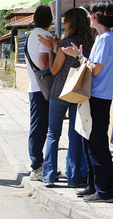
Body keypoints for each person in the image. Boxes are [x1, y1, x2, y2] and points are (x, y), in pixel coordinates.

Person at [62, 0, 113, 202]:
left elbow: (96, 69)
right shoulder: (108, 38)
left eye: (91, 13)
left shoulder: (103, 39)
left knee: (95, 144)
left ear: (98, 16)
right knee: (90, 141)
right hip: (102, 96)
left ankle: (104, 190)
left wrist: (79, 56)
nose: (89, 16)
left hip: (97, 96)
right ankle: (94, 186)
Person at [37, 8, 93, 187]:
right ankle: (75, 178)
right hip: (79, 94)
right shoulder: (90, 43)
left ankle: (48, 176)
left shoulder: (66, 43)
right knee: (75, 135)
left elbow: (53, 70)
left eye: (65, 21)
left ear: (72, 23)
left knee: (53, 134)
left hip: (60, 92)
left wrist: (53, 50)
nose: (64, 24)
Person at [24, 5, 53, 182]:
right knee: (40, 128)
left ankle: (42, 165)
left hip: (34, 86)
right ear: (50, 19)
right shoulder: (45, 36)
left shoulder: (31, 35)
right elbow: (44, 64)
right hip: (42, 88)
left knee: (39, 127)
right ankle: (37, 166)